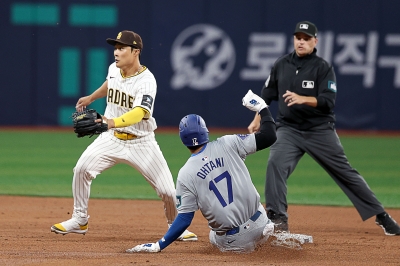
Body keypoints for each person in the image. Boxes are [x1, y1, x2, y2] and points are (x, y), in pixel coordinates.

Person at [247, 21, 400, 236]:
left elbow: (328, 100)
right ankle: (277, 218)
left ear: (315, 41)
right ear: (294, 39)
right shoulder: (281, 64)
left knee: (345, 172)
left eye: (306, 38)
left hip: (319, 130)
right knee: (275, 163)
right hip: (289, 129)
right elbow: (266, 96)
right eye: (298, 37)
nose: (301, 41)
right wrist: (257, 118)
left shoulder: (322, 67)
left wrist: (302, 99)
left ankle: (381, 215)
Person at [50, 30, 197, 241]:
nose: (116, 53)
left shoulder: (147, 81)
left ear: (135, 51)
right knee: (82, 169)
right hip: (112, 138)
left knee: (167, 192)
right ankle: (80, 219)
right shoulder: (114, 69)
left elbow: (140, 113)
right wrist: (91, 97)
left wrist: (111, 122)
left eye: (121, 48)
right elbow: (110, 84)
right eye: (115, 48)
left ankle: (176, 227)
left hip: (141, 142)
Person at [125, 90, 278, 253]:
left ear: (183, 140)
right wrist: (262, 107)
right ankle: (268, 233)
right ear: (205, 131)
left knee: (213, 236)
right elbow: (269, 136)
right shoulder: (229, 143)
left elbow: (184, 218)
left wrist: (159, 244)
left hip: (236, 240)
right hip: (260, 222)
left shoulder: (186, 173)